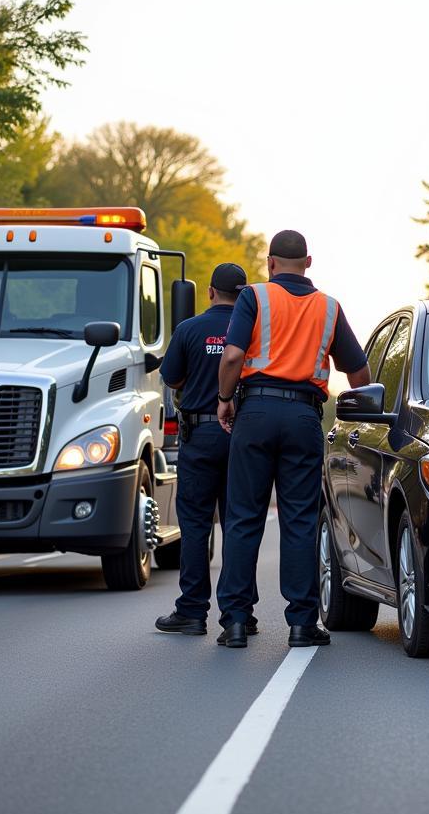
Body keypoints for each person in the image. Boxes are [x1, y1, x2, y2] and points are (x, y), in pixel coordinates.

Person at [214, 229, 371, 649]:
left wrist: (224, 399)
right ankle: (302, 624)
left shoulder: (255, 297)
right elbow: (358, 373)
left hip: (256, 412)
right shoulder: (329, 307)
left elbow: (232, 356)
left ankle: (234, 621)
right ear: (309, 262)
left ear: (269, 263)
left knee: (243, 517)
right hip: (304, 417)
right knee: (300, 520)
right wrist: (361, 410)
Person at [154, 263, 257, 637]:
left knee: (196, 525)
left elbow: (173, 377)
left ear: (211, 292)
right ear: (245, 293)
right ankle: (241, 613)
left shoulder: (189, 329)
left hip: (198, 436)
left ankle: (192, 611)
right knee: (239, 524)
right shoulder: (255, 329)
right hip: (244, 436)